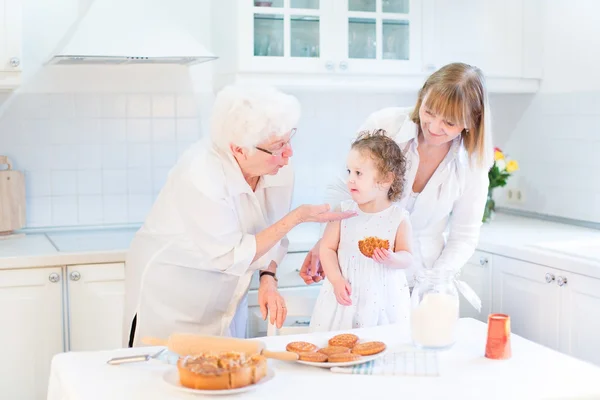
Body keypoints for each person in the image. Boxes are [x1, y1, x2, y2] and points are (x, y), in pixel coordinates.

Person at [122, 85, 356, 347]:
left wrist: (269, 278)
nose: (289, 153)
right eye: (278, 146)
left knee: (225, 371)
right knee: (168, 373)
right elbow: (230, 254)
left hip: (228, 294)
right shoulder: (201, 175)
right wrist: (297, 217)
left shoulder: (278, 167)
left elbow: (270, 234)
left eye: (289, 139)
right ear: (239, 150)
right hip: (174, 297)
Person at [299, 62, 493, 290]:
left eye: (449, 122)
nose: (433, 126)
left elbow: (464, 235)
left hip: (422, 277)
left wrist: (434, 282)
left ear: (471, 121)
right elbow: (346, 189)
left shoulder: (471, 164)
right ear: (422, 96)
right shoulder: (385, 125)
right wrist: (325, 243)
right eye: (429, 110)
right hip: (358, 270)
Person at [308, 130, 414, 332]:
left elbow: (407, 257)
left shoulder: (398, 218)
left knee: (383, 348)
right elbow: (327, 248)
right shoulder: (344, 211)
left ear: (385, 179)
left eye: (358, 173)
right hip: (344, 296)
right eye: (349, 172)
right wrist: (336, 280)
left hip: (384, 299)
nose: (350, 179)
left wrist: (392, 258)